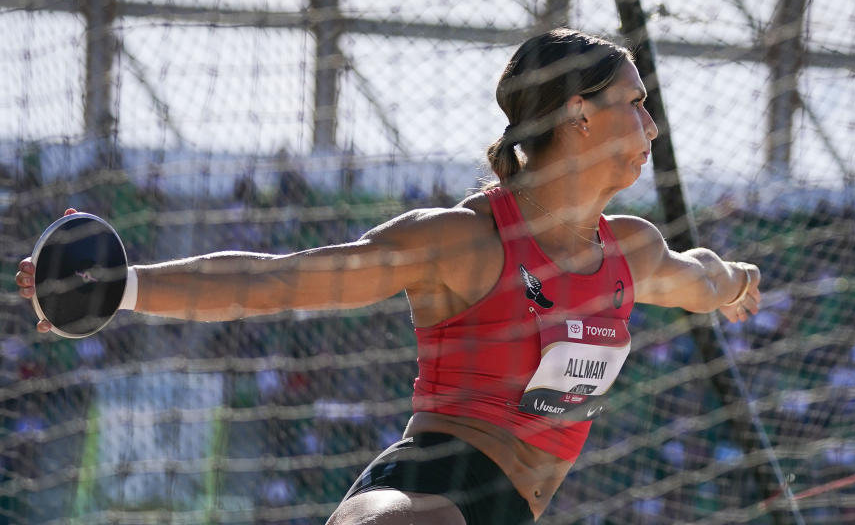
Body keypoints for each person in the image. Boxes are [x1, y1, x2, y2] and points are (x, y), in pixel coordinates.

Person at [16, 29, 760, 524]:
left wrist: (735, 283)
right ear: (580, 114)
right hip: (435, 489)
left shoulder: (630, 250)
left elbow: (700, 276)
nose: (652, 126)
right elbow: (278, 282)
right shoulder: (463, 241)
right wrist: (123, 287)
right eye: (636, 103)